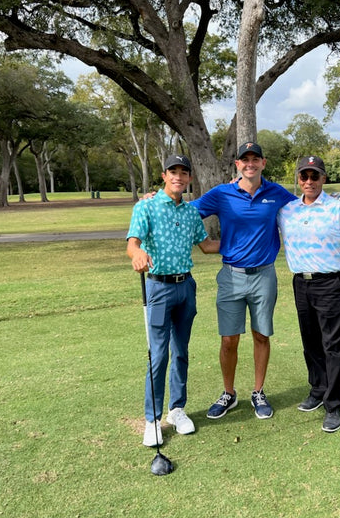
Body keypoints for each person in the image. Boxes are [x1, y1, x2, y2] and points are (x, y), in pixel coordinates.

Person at [190, 142, 296, 421]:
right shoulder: (222, 194)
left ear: (263, 162)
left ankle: (258, 391)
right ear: (237, 164)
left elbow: (305, 211)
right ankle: (228, 393)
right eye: (244, 159)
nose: (250, 163)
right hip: (231, 276)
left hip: (264, 275)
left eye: (255, 159)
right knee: (229, 340)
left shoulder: (277, 193)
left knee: (261, 335)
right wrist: (155, 201)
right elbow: (187, 212)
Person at [126, 154, 219, 447]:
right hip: (158, 288)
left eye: (183, 172)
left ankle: (176, 410)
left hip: (185, 286)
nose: (178, 176)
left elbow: (207, 246)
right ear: (164, 175)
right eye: (173, 171)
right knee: (158, 354)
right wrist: (137, 254)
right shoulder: (147, 206)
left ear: (189, 178)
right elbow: (133, 242)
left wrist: (249, 237)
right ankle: (152, 419)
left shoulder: (191, 213)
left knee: (181, 352)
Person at [277, 155, 340, 433]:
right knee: (311, 342)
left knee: (333, 346)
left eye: (314, 176)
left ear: (323, 178)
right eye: (304, 176)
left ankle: (333, 404)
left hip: (330, 283)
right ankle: (318, 389)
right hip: (300, 283)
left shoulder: (338, 206)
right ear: (298, 179)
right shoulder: (287, 210)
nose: (309, 181)